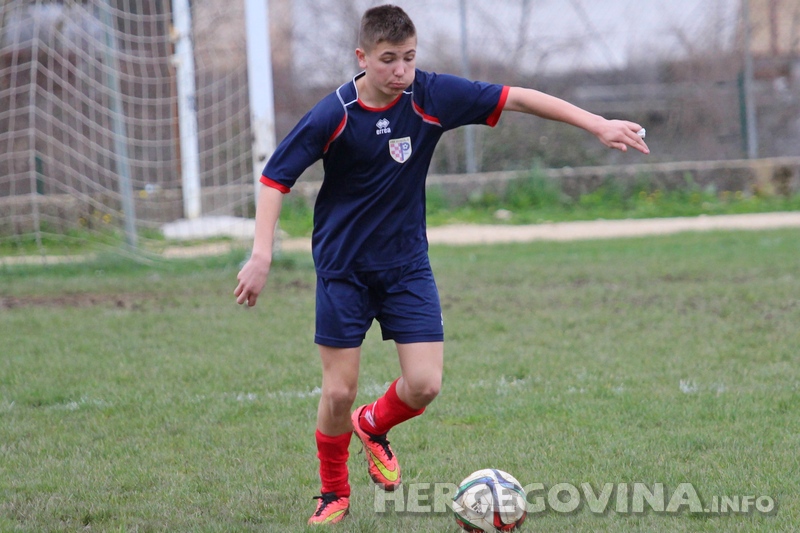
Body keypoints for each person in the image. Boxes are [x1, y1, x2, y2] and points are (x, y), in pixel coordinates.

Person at [234, 4, 649, 526]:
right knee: (337, 390)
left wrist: (596, 124)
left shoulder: (430, 96)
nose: (401, 71)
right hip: (344, 270)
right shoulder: (333, 114)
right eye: (388, 60)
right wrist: (262, 254)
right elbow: (275, 179)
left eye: (409, 58)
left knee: (425, 384)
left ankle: (373, 424)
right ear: (361, 58)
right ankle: (332, 491)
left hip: (406, 266)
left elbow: (514, 96)